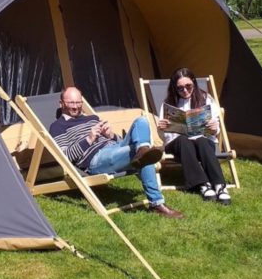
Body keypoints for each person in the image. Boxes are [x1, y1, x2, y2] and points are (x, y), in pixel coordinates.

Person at [49, 86, 184, 219]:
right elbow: (65, 156)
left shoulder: (92, 118)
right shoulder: (57, 127)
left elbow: (118, 142)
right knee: (143, 153)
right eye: (71, 102)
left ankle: (142, 151)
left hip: (114, 148)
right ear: (61, 103)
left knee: (141, 121)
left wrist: (110, 135)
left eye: (78, 102)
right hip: (96, 159)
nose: (76, 106)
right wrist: (89, 139)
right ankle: (157, 203)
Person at [156, 67, 231, 205]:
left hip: (202, 140)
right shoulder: (168, 104)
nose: (185, 90)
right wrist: (161, 128)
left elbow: (215, 128)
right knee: (184, 141)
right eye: (180, 88)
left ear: (194, 83)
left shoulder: (205, 98)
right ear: (174, 88)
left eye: (188, 86)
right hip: (178, 143)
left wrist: (215, 128)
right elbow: (164, 136)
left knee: (202, 141)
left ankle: (220, 186)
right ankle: (203, 184)